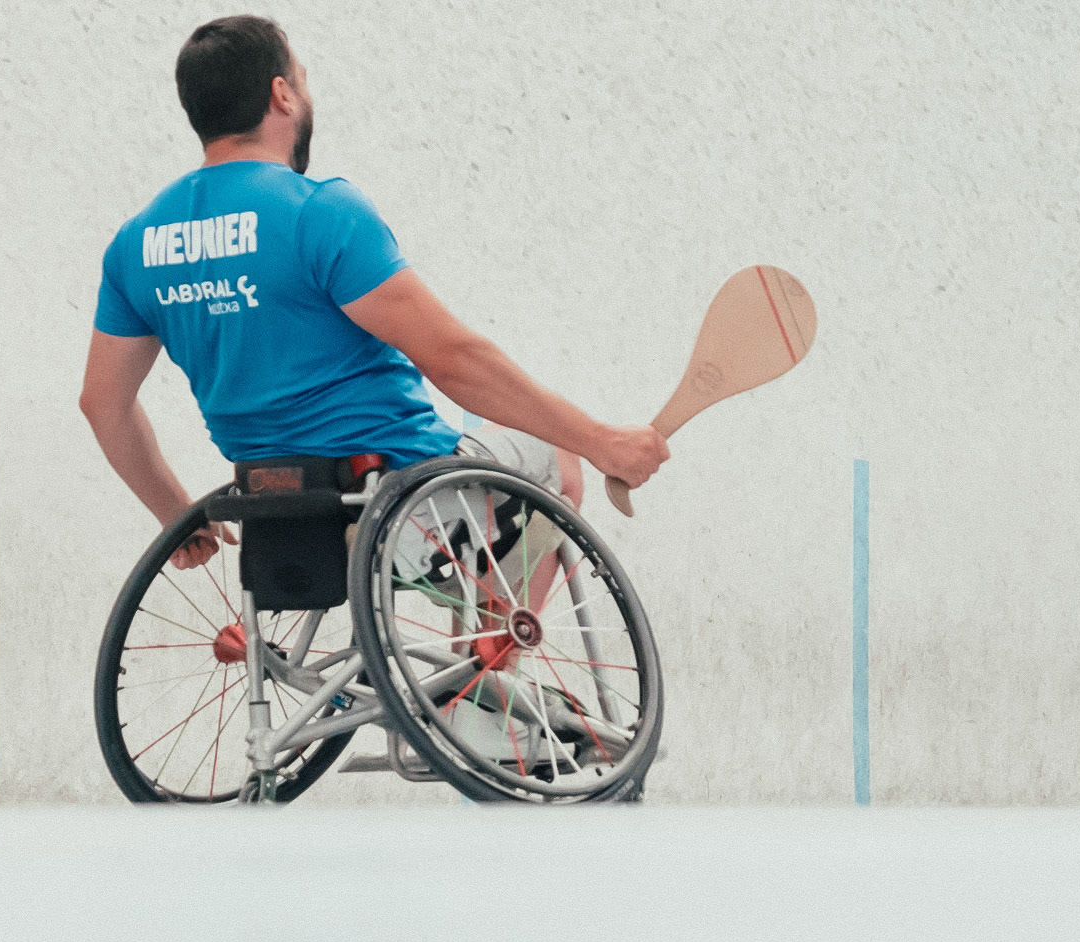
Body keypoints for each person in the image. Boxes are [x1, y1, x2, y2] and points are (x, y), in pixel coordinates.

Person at [79, 14, 668, 572]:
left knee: (492, 436)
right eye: (304, 82)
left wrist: (178, 516)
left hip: (280, 522)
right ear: (282, 94)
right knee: (555, 450)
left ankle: (475, 659)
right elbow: (454, 360)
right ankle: (497, 664)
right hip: (399, 503)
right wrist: (600, 440)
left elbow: (103, 403)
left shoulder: (136, 244)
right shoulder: (317, 212)